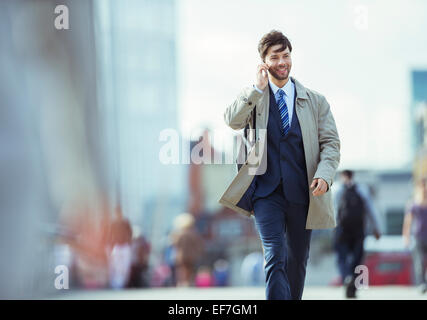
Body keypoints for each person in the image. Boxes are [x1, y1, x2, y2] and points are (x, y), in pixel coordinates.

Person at [219, 30, 340, 300]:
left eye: (286, 55)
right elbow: (232, 121)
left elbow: (331, 144)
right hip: (266, 193)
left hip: (303, 192)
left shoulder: (316, 101)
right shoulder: (254, 96)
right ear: (264, 62)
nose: (283, 62)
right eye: (275, 57)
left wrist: (324, 175)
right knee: (275, 255)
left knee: (297, 262)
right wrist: (256, 89)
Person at [333, 170, 381, 298]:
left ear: (342, 176)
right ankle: (353, 282)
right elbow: (371, 209)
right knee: (357, 257)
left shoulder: (336, 188)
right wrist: (377, 228)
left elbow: (332, 209)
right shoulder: (362, 189)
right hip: (359, 229)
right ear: (352, 175)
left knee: (341, 257)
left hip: (341, 229)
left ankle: (346, 277)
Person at [402, 178, 427, 294]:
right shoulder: (413, 203)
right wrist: (406, 237)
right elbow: (408, 221)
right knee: (419, 262)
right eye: (423, 186)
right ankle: (422, 283)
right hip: (418, 237)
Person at [170, 213, 205, 287]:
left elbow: (174, 243)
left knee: (182, 269)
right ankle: (187, 281)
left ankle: (182, 282)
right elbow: (199, 244)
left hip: (181, 255)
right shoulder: (193, 233)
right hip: (191, 255)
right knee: (188, 269)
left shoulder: (179, 233)